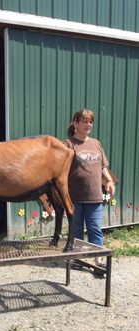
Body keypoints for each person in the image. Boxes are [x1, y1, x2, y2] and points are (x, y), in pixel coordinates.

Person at [64, 109, 115, 265]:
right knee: (76, 230)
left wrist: (110, 181)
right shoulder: (68, 144)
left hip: (94, 196)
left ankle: (98, 260)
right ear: (75, 123)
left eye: (90, 121)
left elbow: (103, 166)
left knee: (95, 229)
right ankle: (78, 259)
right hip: (74, 197)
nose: (89, 124)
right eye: (85, 121)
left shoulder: (96, 143)